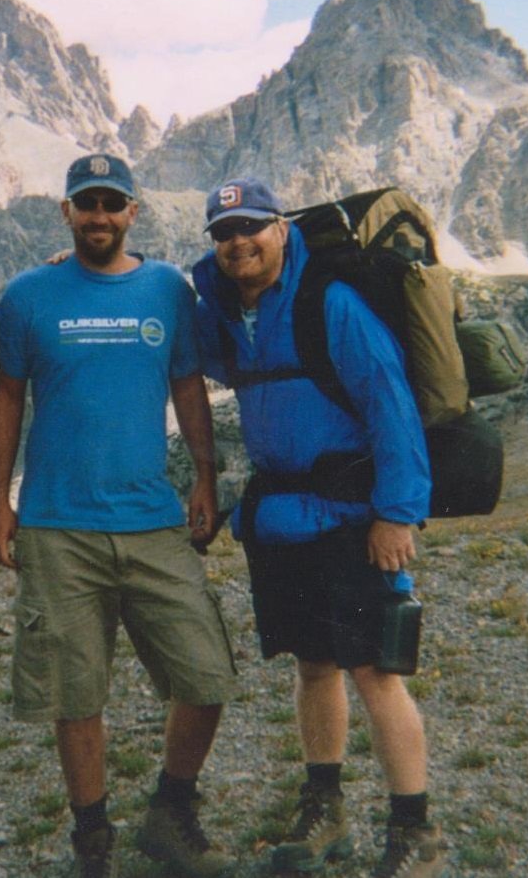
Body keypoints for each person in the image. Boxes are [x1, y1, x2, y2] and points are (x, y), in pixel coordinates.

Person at [0, 153, 237, 878]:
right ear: (64, 211)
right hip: (58, 523)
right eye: (85, 203)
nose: (98, 216)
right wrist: (0, 501)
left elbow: (187, 383)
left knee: (205, 673)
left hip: (151, 517)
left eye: (111, 203)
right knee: (74, 689)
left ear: (134, 211)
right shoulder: (29, 292)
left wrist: (205, 476)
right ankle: (91, 838)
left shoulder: (166, 289)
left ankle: (171, 807)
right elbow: (7, 396)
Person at [192, 178, 448, 878]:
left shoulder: (331, 302)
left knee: (375, 670)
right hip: (281, 520)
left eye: (251, 226)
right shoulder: (230, 313)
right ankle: (324, 806)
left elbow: (388, 400)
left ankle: (413, 830)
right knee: (313, 664)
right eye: (222, 232)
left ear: (281, 229)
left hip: (351, 517)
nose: (237, 241)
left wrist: (397, 511)